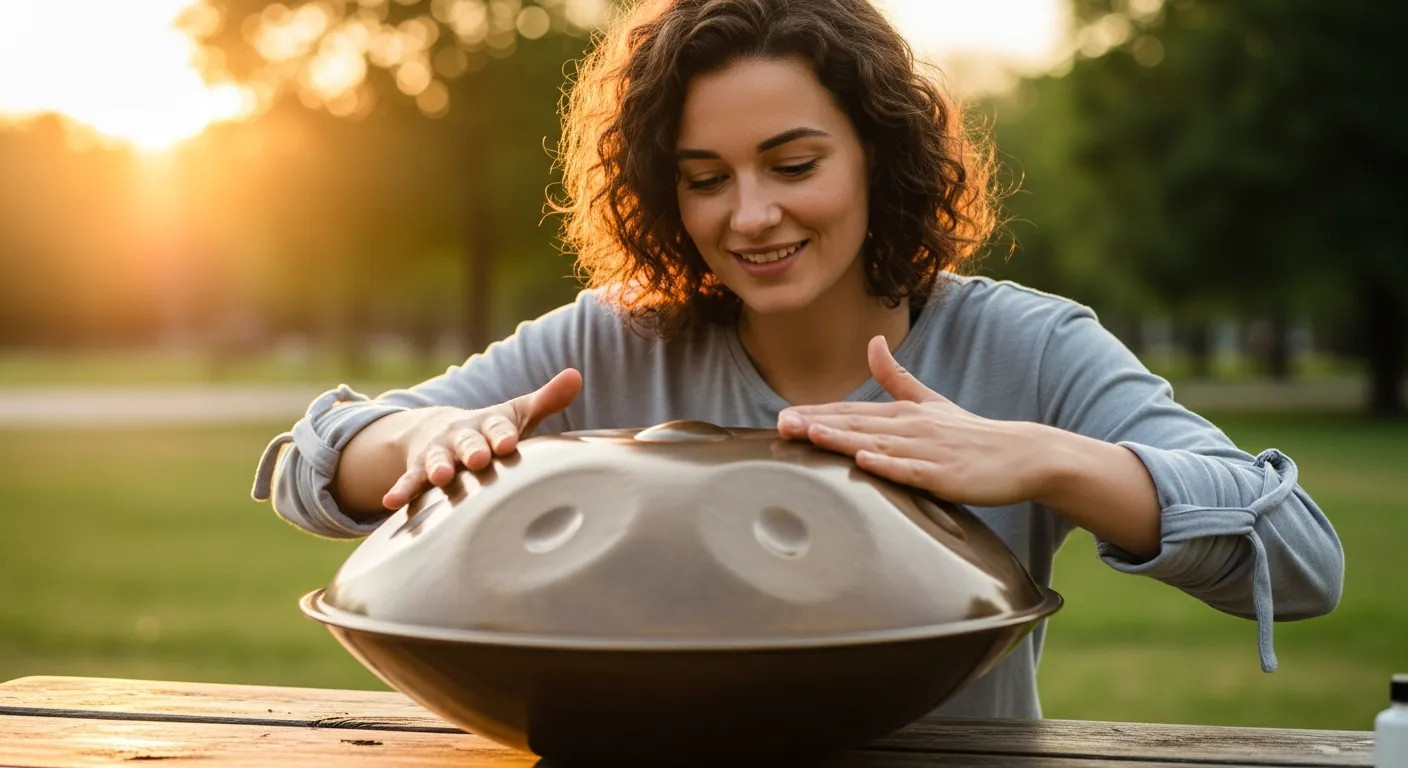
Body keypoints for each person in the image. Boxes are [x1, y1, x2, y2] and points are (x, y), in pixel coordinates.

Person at [251, 0, 1344, 719]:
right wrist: (415, 437)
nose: (752, 214)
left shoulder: (1026, 343)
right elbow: (312, 458)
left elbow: (1297, 560)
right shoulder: (612, 337)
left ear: (878, 152)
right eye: (705, 176)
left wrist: (1048, 462)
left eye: (793, 162)